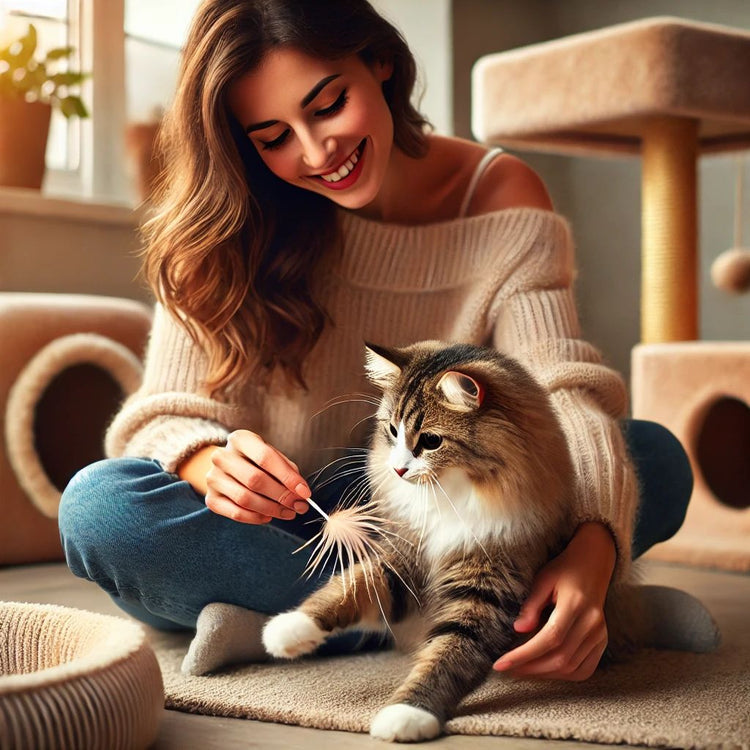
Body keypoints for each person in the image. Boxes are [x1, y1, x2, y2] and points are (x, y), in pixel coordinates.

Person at [58, 0, 703, 681]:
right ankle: (481, 620)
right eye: (273, 137)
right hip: (294, 529)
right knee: (103, 508)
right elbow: (163, 414)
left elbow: (561, 394)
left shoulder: (500, 198)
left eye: (329, 104)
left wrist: (594, 551)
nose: (315, 152)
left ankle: (287, 621)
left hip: (454, 527)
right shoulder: (224, 226)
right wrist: (204, 460)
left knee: (652, 457)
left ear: (380, 61)